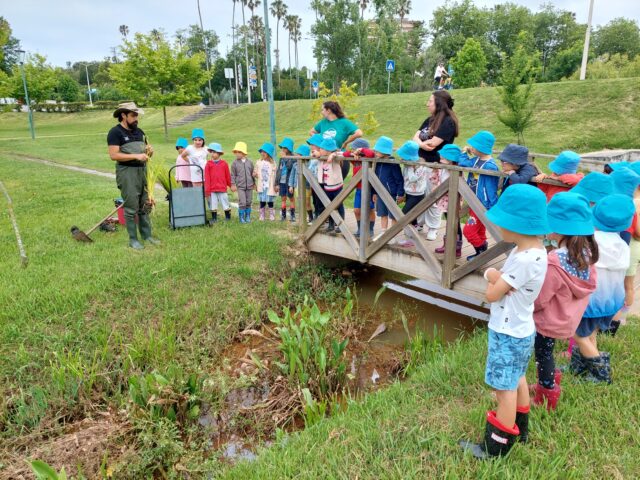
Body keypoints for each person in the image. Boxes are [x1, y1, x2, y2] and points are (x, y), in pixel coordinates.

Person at [460, 184, 550, 459]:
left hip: (507, 332)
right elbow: (503, 283)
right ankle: (521, 429)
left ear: (517, 225)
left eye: (502, 222)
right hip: (522, 329)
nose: (498, 227)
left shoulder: (523, 260)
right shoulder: (535, 251)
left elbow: (491, 294)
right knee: (518, 377)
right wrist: (498, 278)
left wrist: (490, 275)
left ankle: (496, 446)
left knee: (504, 389)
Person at [531, 193, 598, 411]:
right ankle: (548, 381)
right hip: (568, 317)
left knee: (543, 354)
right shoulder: (586, 255)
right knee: (547, 352)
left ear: (558, 228)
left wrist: (528, 306)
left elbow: (541, 298)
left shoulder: (554, 261)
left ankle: (546, 394)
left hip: (549, 319)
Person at [570, 194, 634, 384]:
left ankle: (601, 374)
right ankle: (580, 368)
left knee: (579, 336)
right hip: (611, 302)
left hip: (591, 303)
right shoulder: (622, 245)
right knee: (590, 333)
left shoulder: (590, 242)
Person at [107, 102, 160, 250]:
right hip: (127, 173)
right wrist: (136, 156)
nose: (136, 118)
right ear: (123, 115)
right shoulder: (115, 132)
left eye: (137, 115)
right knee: (131, 207)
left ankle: (147, 236)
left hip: (143, 171)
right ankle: (133, 240)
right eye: (133, 115)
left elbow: (146, 155)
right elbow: (113, 155)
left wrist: (149, 152)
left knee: (145, 204)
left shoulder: (140, 132)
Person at [413, 90, 459, 241]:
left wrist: (422, 143)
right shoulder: (429, 120)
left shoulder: (448, 122)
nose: (427, 104)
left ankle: (433, 227)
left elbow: (432, 144)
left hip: (436, 165)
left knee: (433, 197)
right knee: (420, 195)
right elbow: (415, 137)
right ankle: (420, 222)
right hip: (421, 163)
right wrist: (421, 144)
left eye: (430, 101)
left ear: (439, 103)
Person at [458, 131, 499, 260]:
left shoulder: (490, 167)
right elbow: (463, 163)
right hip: (473, 201)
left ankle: (481, 251)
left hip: (482, 204)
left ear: (481, 148)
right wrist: (464, 153)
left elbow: (491, 189)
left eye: (473, 146)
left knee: (469, 231)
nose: (471, 147)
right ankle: (481, 253)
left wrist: (491, 206)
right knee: (479, 230)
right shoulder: (476, 160)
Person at [309, 101, 363, 179]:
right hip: (323, 158)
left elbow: (359, 133)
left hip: (339, 159)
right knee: (319, 185)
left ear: (328, 110)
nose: (321, 112)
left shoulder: (344, 122)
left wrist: (346, 142)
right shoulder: (323, 122)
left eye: (322, 110)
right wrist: (320, 141)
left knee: (336, 185)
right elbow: (311, 132)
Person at [395, 141, 428, 248]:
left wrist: (409, 167)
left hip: (417, 194)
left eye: (404, 157)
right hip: (409, 193)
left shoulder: (421, 166)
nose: (402, 159)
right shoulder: (407, 165)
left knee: (404, 214)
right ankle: (412, 237)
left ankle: (411, 238)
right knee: (412, 217)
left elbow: (413, 179)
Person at [371, 136, 404, 242]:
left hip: (392, 194)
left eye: (378, 150)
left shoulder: (393, 164)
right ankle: (383, 232)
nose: (375, 152)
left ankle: (392, 235)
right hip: (380, 193)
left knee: (393, 214)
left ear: (385, 152)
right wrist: (374, 192)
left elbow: (399, 179)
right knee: (382, 213)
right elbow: (375, 178)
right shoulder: (377, 162)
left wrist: (400, 193)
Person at [341, 138, 376, 238]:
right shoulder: (355, 158)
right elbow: (345, 154)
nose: (353, 149)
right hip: (359, 188)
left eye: (355, 148)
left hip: (369, 188)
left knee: (370, 209)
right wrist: (353, 153)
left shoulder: (368, 157)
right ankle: (360, 229)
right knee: (356, 210)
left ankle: (370, 229)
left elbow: (371, 153)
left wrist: (361, 150)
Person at [434, 144, 464, 258]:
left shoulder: (456, 170)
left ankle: (457, 248)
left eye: (443, 157)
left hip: (453, 200)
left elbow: (460, 185)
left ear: (451, 159)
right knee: (448, 222)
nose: (440, 158)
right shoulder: (443, 168)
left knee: (455, 223)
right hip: (444, 199)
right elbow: (437, 180)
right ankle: (447, 244)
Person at [320, 138, 346, 232]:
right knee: (329, 206)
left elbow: (342, 153)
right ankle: (331, 224)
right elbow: (314, 154)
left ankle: (341, 225)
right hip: (327, 186)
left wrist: (333, 154)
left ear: (328, 150)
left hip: (337, 186)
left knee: (339, 205)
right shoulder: (322, 157)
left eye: (321, 148)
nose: (320, 150)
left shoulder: (336, 157)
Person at [204, 143, 232, 224]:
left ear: (219, 153)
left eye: (214, 152)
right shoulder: (208, 164)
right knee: (213, 204)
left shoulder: (224, 164)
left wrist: (231, 185)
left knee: (225, 202)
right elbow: (207, 178)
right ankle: (214, 218)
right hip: (212, 189)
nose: (212, 154)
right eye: (211, 152)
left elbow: (227, 176)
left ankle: (228, 217)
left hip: (222, 188)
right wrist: (207, 190)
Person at [230, 141, 255, 224]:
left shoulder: (250, 162)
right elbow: (233, 175)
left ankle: (247, 216)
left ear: (244, 153)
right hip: (240, 186)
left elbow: (252, 174)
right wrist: (233, 184)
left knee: (248, 202)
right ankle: (241, 218)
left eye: (239, 152)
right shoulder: (234, 163)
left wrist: (254, 183)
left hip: (250, 186)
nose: (237, 154)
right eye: (236, 152)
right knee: (242, 202)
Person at [254, 143, 278, 221]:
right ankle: (262, 215)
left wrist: (276, 185)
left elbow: (276, 175)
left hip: (269, 185)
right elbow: (255, 172)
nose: (262, 153)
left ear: (269, 154)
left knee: (270, 201)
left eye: (264, 152)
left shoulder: (273, 163)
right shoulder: (258, 162)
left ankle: (271, 214)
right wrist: (255, 174)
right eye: (261, 152)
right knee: (262, 200)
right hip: (262, 185)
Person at [276, 137, 297, 222]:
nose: (283, 149)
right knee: (283, 198)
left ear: (289, 148)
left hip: (289, 182)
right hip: (281, 182)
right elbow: (279, 170)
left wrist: (285, 157)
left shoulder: (293, 157)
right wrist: (276, 183)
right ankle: (283, 216)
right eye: (282, 148)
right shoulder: (281, 158)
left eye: (285, 148)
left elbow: (289, 167)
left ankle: (293, 215)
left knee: (291, 198)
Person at [307, 134, 324, 220]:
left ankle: (322, 216)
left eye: (313, 144)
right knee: (314, 199)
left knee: (320, 199)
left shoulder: (322, 154)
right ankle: (316, 214)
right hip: (313, 181)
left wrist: (319, 155)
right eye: (310, 145)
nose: (311, 146)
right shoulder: (312, 155)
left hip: (320, 181)